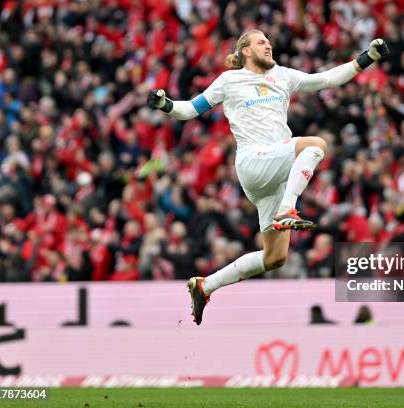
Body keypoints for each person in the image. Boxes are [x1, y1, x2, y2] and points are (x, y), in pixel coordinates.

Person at [148, 29, 389, 325]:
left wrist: (369, 58)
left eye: (269, 41)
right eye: (261, 42)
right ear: (245, 51)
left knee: (275, 257)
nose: (269, 45)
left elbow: (327, 79)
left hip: (275, 174)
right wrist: (165, 104)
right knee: (317, 144)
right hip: (253, 160)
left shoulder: (283, 75)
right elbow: (190, 110)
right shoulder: (229, 80)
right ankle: (288, 209)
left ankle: (205, 285)